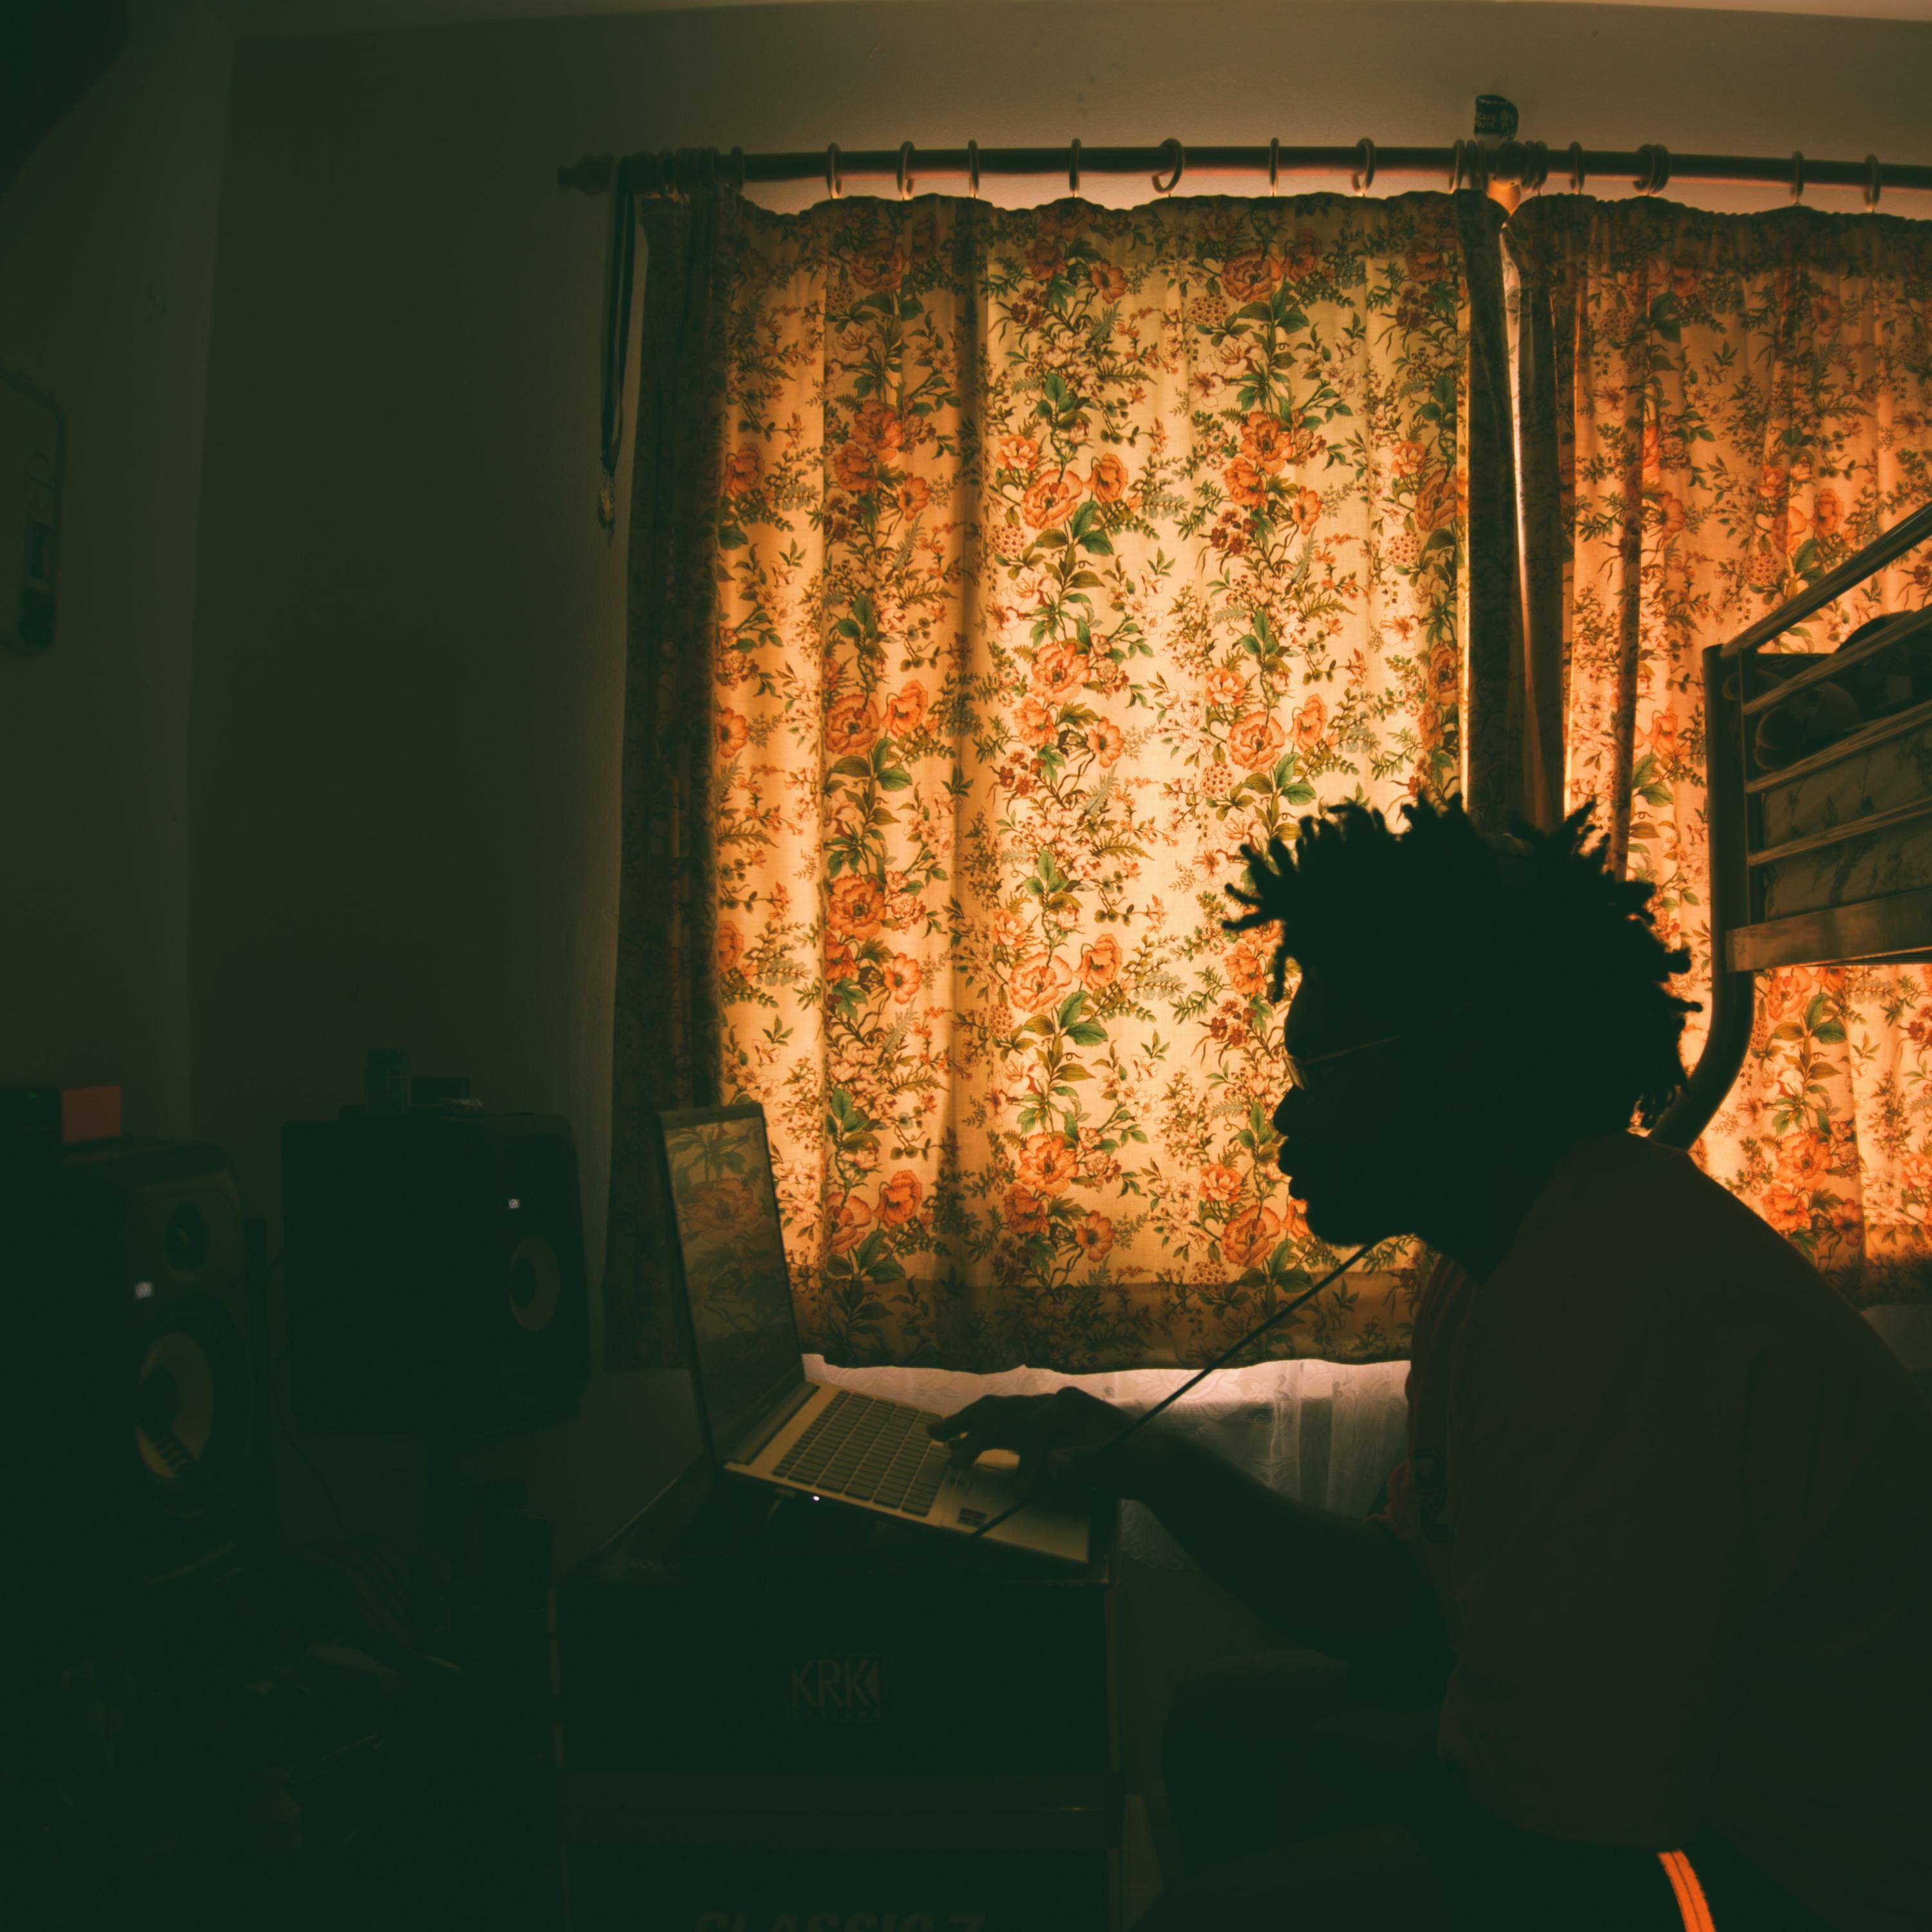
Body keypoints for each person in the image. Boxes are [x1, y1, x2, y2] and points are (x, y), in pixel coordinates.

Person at [929, 797, 1932, 1932]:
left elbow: (1566, 1825)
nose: (1287, 1117)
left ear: (1464, 1072)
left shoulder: (1606, 1302)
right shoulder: (1495, 1262)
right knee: (1229, 1730)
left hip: (1784, 1880)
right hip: (1674, 1810)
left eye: (1325, 1071)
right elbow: (1420, 1605)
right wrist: (1148, 1463)